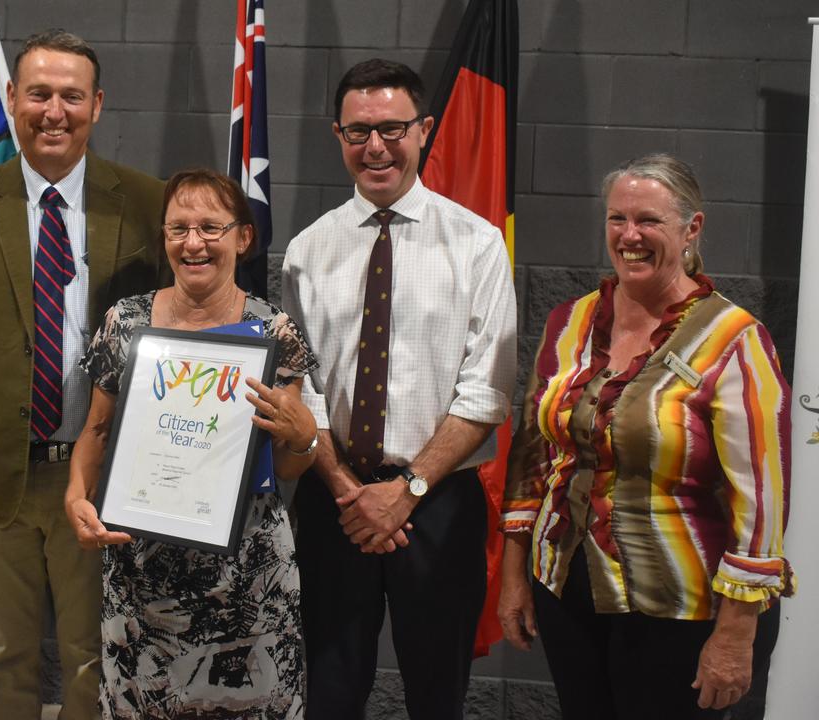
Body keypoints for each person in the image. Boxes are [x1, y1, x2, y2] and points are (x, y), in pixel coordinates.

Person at [0, 29, 165, 720]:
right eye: (40, 94)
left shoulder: (146, 204)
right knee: (2, 655)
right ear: (13, 99)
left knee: (96, 653)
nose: (55, 111)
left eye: (72, 96)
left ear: (98, 105)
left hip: (102, 476)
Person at [497, 153, 793, 720]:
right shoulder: (570, 322)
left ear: (692, 229)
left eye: (649, 220)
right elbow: (534, 460)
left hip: (683, 604)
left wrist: (736, 634)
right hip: (568, 587)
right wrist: (514, 578)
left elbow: (762, 503)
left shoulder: (735, 339)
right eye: (617, 219)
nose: (630, 235)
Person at [281, 58, 517, 719]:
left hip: (439, 507)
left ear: (425, 130)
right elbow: (303, 390)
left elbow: (487, 391)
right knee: (328, 691)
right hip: (336, 504)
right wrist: (347, 491)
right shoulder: (307, 250)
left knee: (436, 695)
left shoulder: (478, 244)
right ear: (338, 136)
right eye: (358, 132)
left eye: (392, 128)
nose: (376, 147)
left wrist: (406, 491)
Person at [65, 168, 318, 718]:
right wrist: (76, 494)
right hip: (141, 575)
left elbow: (285, 466)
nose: (194, 243)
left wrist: (305, 440)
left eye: (211, 227)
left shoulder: (273, 333)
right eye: (178, 228)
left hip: (248, 583)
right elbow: (98, 431)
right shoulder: (125, 323)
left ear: (242, 238)